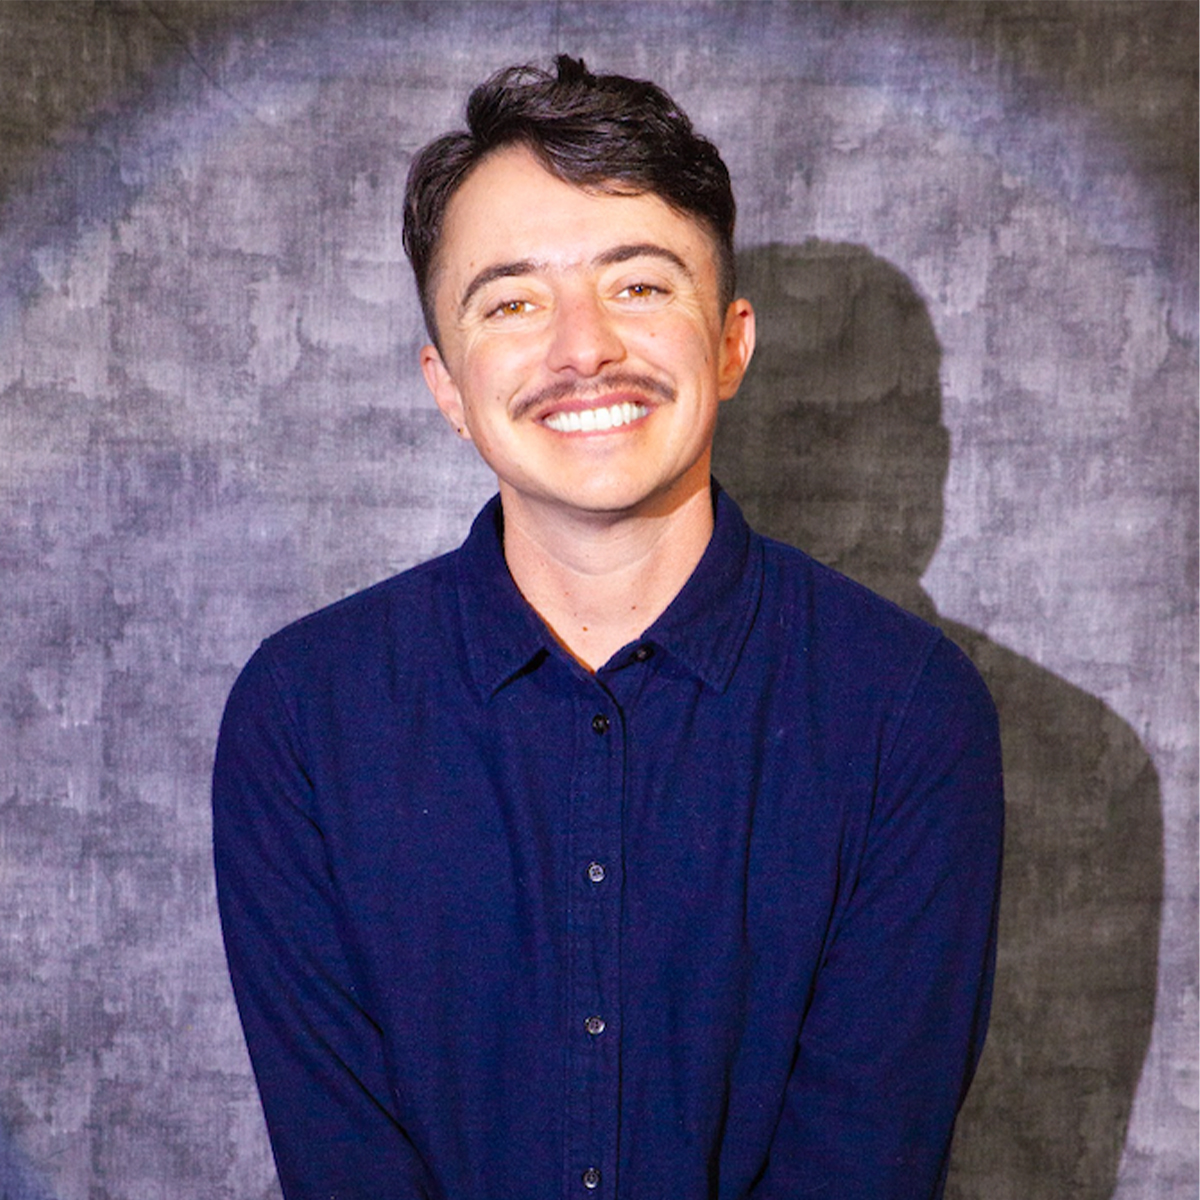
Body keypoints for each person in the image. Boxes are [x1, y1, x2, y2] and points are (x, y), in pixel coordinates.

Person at [213, 56, 1004, 1200]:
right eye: (513, 301)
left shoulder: (907, 715)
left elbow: (861, 1165)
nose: (582, 348)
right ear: (446, 384)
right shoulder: (302, 718)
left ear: (730, 342)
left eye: (638, 286)